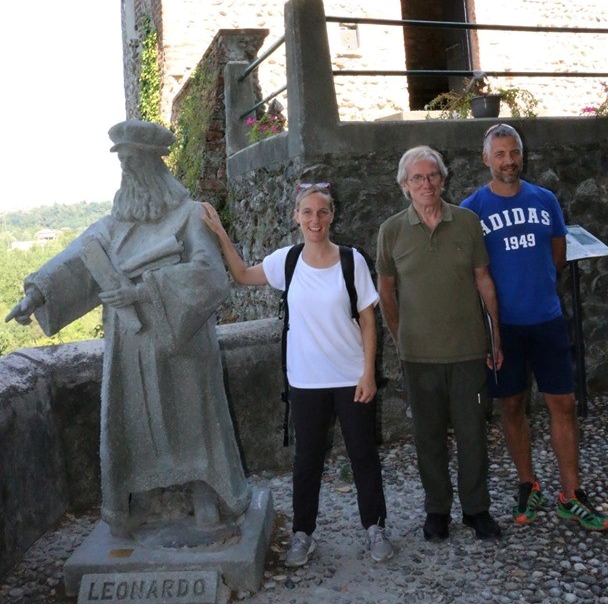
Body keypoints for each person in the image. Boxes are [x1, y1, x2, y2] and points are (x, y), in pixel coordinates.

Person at [6, 120, 250, 537]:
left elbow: (210, 276)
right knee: (138, 422)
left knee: (192, 416)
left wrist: (141, 292)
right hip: (130, 345)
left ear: (156, 164)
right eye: (123, 164)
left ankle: (203, 491)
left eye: (134, 161)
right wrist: (36, 296)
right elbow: (78, 264)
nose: (127, 171)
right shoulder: (114, 224)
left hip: (182, 343)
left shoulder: (190, 217)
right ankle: (148, 495)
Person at [201, 183, 394, 565]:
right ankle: (302, 534)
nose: (314, 220)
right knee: (307, 460)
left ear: (332, 215)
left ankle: (375, 528)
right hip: (306, 381)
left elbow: (370, 321)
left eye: (322, 212)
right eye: (307, 212)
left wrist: (368, 373)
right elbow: (241, 274)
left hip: (350, 375)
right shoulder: (285, 261)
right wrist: (220, 233)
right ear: (296, 217)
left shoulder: (352, 261)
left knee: (363, 456)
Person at [461, 123, 608, 531]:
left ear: (522, 155)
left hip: (547, 320)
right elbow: (472, 272)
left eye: (515, 152)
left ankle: (571, 494)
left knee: (563, 404)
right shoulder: (472, 208)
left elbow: (557, 256)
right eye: (501, 154)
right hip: (503, 326)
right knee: (511, 405)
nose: (509, 160)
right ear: (486, 158)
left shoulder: (545, 200)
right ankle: (528, 483)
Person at [377, 146, 503, 542]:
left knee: (473, 436)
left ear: (443, 179)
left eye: (432, 175)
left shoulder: (467, 223)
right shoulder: (391, 231)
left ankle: (476, 509)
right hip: (419, 356)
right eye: (417, 178)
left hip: (468, 350)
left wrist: (495, 337)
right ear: (404, 186)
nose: (426, 184)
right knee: (428, 438)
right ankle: (437, 511)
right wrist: (400, 339)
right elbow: (386, 291)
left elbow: (484, 282)